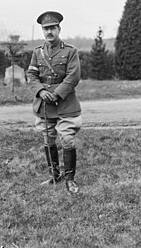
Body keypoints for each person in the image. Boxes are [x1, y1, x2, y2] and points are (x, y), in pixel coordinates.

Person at [27, 11, 82, 194]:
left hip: (65, 103)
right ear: (42, 31)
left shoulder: (70, 51)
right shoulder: (37, 53)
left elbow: (73, 76)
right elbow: (32, 75)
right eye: (46, 29)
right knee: (47, 138)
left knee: (67, 139)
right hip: (44, 104)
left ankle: (70, 180)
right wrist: (41, 91)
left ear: (59, 29)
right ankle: (54, 175)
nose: (49, 32)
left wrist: (57, 94)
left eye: (52, 28)